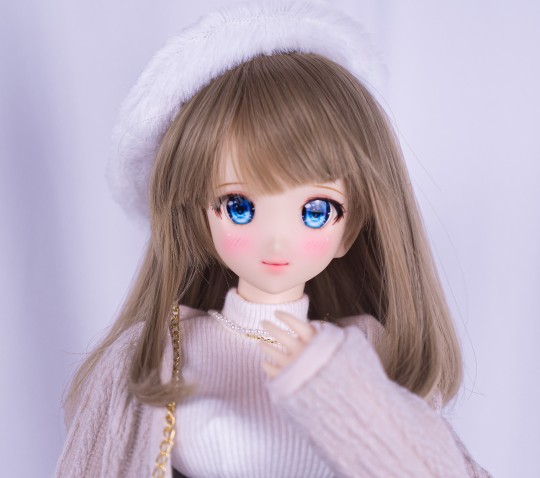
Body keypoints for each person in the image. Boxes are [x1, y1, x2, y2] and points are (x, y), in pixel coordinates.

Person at [55, 1, 491, 477]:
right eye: (239, 207)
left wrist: (340, 390)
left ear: (350, 229)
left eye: (316, 211)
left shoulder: (367, 350)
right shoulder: (152, 354)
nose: (277, 240)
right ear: (200, 218)